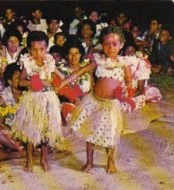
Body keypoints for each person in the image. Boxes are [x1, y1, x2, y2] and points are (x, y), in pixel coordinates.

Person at [57, 26, 133, 174]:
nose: (111, 47)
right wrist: (62, 83)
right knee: (90, 132)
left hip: (111, 105)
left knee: (110, 134)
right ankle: (89, 162)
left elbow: (129, 82)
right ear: (102, 45)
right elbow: (80, 71)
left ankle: (110, 161)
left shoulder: (124, 64)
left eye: (115, 44)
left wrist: (125, 89)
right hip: (94, 102)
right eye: (107, 44)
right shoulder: (98, 61)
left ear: (121, 45)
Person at [12, 31, 63, 172]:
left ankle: (43, 159)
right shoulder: (27, 63)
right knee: (31, 131)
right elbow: (20, 83)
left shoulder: (49, 62)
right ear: (29, 49)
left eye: (41, 49)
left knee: (46, 131)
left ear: (46, 48)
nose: (38, 53)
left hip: (48, 99)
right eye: (34, 49)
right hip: (33, 99)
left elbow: (60, 76)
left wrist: (59, 84)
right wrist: (33, 81)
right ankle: (29, 160)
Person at [0, 29, 23, 95]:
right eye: (10, 41)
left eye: (16, 41)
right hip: (4, 84)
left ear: (19, 42)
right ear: (6, 42)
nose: (13, 43)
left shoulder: (24, 53)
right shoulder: (0, 54)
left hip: (20, 85)